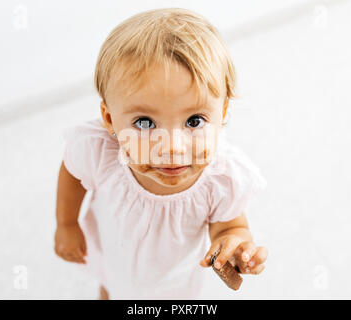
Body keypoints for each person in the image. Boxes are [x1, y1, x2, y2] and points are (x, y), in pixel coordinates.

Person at [55, 8, 268, 299]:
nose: (172, 147)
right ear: (110, 120)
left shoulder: (220, 177)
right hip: (114, 255)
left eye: (194, 121)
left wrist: (234, 242)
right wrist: (66, 223)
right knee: (111, 289)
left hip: (174, 283)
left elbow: (230, 225)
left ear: (223, 113)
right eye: (145, 123)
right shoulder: (100, 152)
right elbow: (71, 171)